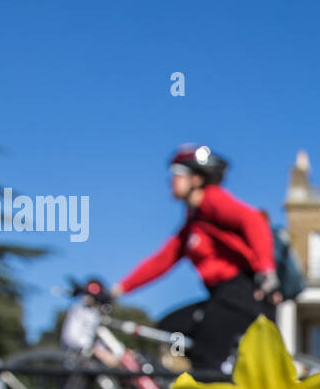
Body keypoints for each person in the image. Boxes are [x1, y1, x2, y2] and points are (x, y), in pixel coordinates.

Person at [112, 144, 281, 375]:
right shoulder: (193, 223)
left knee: (206, 359)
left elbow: (253, 221)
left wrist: (265, 269)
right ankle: (205, 375)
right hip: (219, 296)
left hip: (240, 293)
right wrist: (119, 289)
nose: (170, 181)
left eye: (176, 174)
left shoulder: (212, 201)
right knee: (169, 328)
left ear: (196, 178)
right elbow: (162, 260)